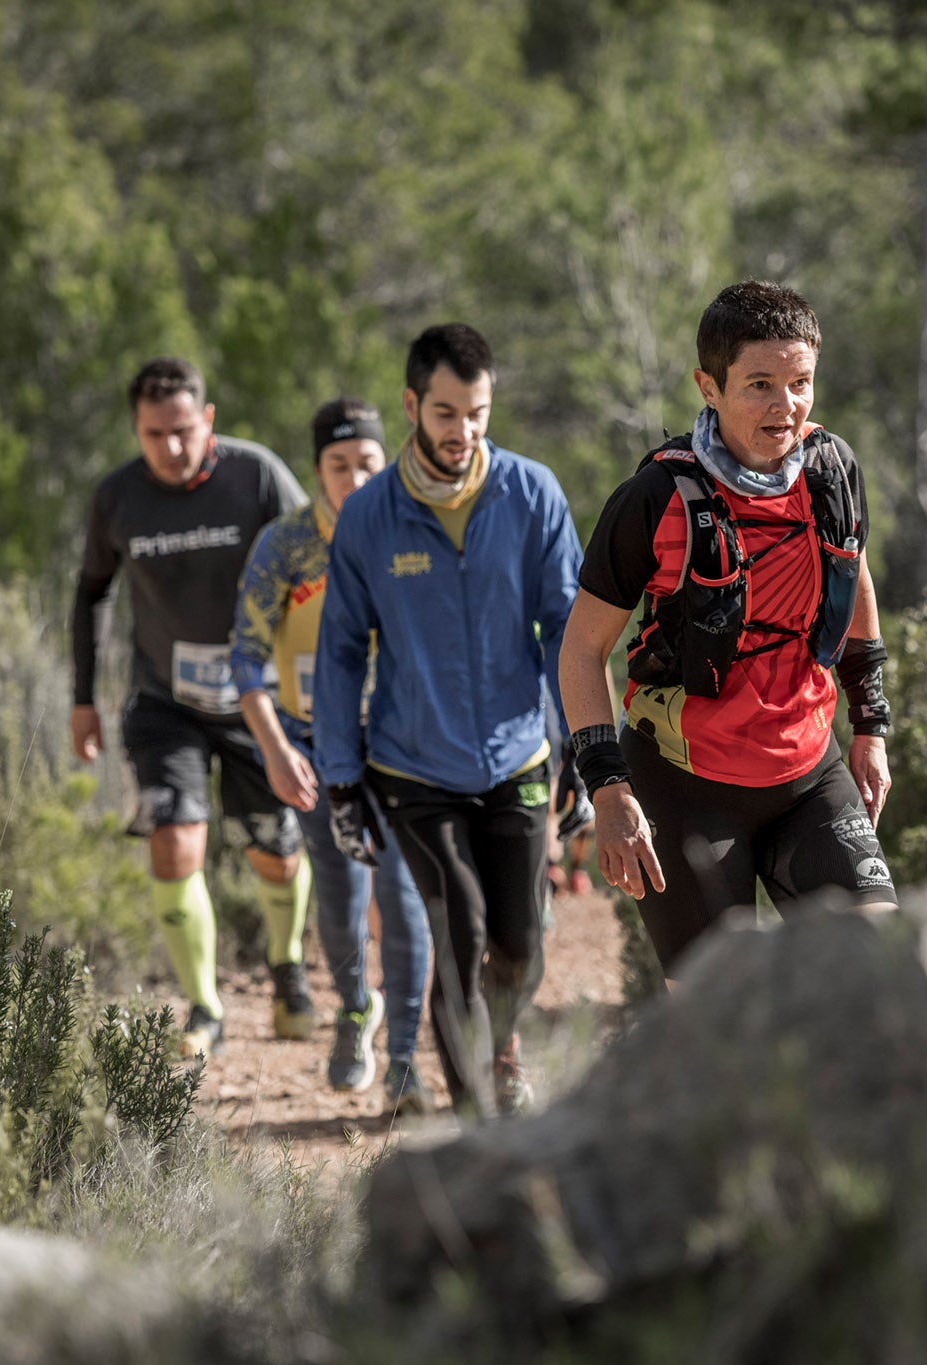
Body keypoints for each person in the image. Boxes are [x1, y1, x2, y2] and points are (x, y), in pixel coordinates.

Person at [557, 281, 897, 977]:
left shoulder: (832, 470)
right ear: (708, 386)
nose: (787, 406)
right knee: (719, 1019)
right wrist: (608, 788)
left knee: (880, 966)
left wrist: (871, 724)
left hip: (808, 774)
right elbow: (582, 650)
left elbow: (852, 575)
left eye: (800, 383)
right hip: (684, 789)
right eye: (761, 385)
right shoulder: (655, 500)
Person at [313, 324, 583, 1118]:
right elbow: (338, 652)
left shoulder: (532, 494)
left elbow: (567, 629)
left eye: (477, 412)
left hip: (518, 757)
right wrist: (339, 777)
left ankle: (501, 1046)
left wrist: (586, 750)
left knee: (522, 945)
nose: (462, 432)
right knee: (458, 931)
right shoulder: (369, 517)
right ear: (411, 404)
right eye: (445, 413)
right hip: (413, 767)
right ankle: (475, 1128)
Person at [71, 356, 316, 1060]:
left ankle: (287, 963)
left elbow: (317, 565)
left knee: (274, 851)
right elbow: (90, 592)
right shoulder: (117, 497)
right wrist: (82, 699)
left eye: (183, 430)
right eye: (154, 434)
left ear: (207, 419)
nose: (171, 448)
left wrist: (315, 682)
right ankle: (204, 1005)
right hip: (164, 702)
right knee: (176, 841)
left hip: (258, 702)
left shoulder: (257, 475)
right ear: (136, 430)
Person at [229, 397, 435, 1113]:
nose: (352, 477)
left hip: (401, 744)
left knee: (399, 891)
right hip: (312, 745)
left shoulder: (413, 529)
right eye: (337, 465)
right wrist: (275, 747)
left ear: (388, 462)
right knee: (342, 895)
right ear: (317, 470)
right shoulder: (285, 544)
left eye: (367, 463)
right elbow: (245, 658)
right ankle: (356, 1009)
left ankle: (407, 1056)